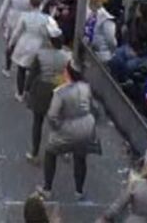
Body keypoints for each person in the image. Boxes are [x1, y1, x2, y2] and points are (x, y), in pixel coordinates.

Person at [37, 60, 99, 201]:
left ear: (68, 73)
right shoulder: (86, 88)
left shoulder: (60, 93)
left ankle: (47, 188)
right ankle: (79, 190)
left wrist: (58, 127)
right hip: (86, 126)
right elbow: (94, 107)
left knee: (50, 151)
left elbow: (52, 116)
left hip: (68, 127)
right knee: (80, 157)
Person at [25, 21, 70, 164]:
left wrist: (26, 89)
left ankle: (34, 153)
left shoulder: (41, 54)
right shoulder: (67, 56)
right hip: (60, 90)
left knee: (37, 122)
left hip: (42, 90)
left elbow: (33, 74)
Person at [9, 0, 51, 101]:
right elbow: (48, 34)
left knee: (21, 69)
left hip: (25, 43)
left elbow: (17, 32)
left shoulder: (25, 16)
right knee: (35, 70)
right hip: (38, 45)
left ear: (30, 3)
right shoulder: (46, 19)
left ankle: (20, 93)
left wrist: (11, 43)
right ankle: (29, 91)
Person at [0, 0, 33, 77]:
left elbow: (4, 7)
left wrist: (1, 22)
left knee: (10, 45)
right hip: (27, 22)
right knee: (25, 46)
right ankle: (24, 67)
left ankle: (7, 68)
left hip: (13, 21)